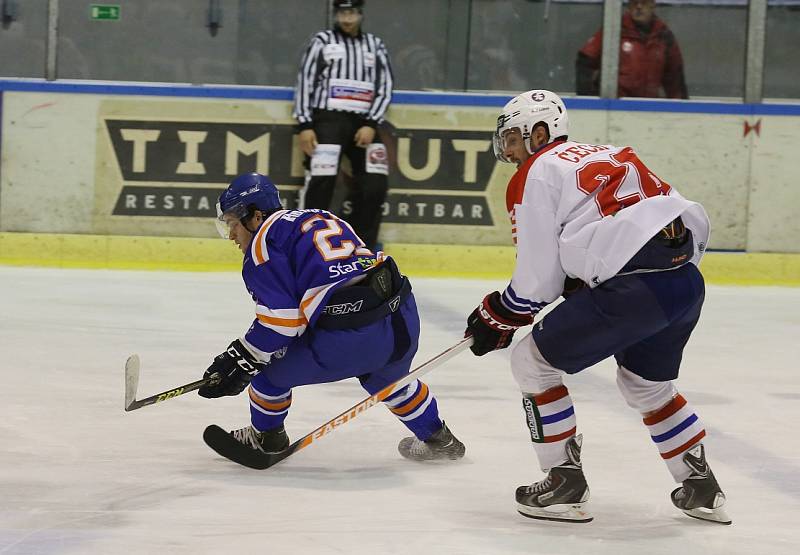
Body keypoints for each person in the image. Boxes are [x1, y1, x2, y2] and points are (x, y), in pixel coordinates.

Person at [464, 90, 730, 524]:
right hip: (683, 282)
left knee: (531, 363)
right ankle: (701, 486)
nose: (508, 151)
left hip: (633, 289)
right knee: (647, 386)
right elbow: (662, 218)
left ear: (540, 132)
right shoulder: (609, 152)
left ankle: (564, 482)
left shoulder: (536, 172)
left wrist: (498, 314)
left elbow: (539, 279)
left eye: (513, 138)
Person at [198, 172, 465, 465]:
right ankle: (439, 439)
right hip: (402, 318)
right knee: (387, 379)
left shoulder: (263, 245)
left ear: (256, 216)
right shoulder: (317, 215)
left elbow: (282, 324)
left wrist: (240, 357)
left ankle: (266, 439)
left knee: (266, 375)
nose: (232, 236)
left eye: (234, 225)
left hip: (351, 337)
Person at [293, 0, 393, 251]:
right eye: (342, 13)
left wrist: (371, 122)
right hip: (328, 121)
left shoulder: (375, 45)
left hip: (365, 125)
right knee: (321, 180)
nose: (347, 19)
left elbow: (385, 87)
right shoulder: (322, 41)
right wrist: (304, 124)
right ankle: (310, 244)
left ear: (360, 14)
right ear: (336, 14)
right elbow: (305, 82)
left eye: (351, 13)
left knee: (375, 184)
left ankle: (361, 246)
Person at [576, 0, 688, 99]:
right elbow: (585, 61)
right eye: (634, 3)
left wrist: (682, 110)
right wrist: (589, 101)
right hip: (617, 106)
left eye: (644, 2)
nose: (639, 6)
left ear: (652, 5)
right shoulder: (616, 28)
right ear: (629, 6)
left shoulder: (663, 35)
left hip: (649, 107)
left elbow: (675, 77)